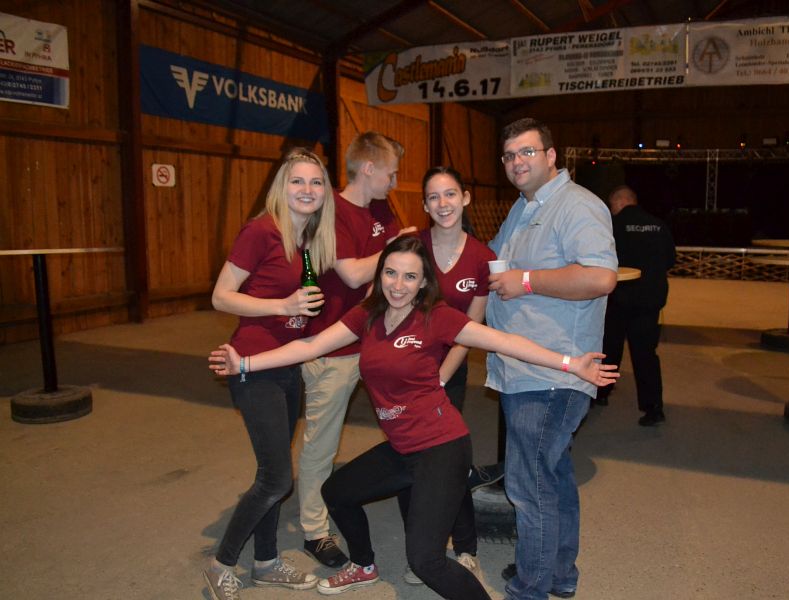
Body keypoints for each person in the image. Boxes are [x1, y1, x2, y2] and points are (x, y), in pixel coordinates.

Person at [208, 236, 619, 600]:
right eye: (391, 273)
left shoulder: (436, 317)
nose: (398, 285)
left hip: (442, 448)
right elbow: (311, 345)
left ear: (423, 282)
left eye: (409, 277)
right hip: (402, 448)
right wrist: (244, 363)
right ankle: (364, 565)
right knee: (337, 492)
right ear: (380, 274)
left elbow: (503, 341)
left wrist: (571, 364)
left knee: (425, 561)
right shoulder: (368, 315)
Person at [486, 118, 618, 600]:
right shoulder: (523, 208)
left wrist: (526, 281)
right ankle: (558, 573)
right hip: (524, 368)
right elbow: (490, 263)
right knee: (553, 476)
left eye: (526, 152)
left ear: (550, 155)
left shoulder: (576, 205)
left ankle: (531, 587)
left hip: (551, 375)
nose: (516, 162)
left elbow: (600, 277)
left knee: (529, 484)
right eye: (509, 155)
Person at [201, 148, 335, 600]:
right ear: (282, 187)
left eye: (315, 182)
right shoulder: (261, 231)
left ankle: (265, 562)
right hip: (253, 365)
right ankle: (221, 563)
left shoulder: (308, 238)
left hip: (286, 366)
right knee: (277, 479)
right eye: (297, 181)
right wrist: (282, 305)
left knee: (273, 470)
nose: (307, 190)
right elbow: (221, 296)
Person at [297, 131, 416, 568]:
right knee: (321, 444)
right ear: (368, 168)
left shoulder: (381, 207)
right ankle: (314, 530)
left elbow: (399, 261)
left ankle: (416, 506)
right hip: (333, 347)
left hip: (376, 339)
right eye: (391, 173)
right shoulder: (331, 211)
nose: (394, 182)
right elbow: (351, 273)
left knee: (405, 425)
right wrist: (392, 248)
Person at [398, 166, 497, 585]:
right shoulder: (411, 247)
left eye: (450, 194)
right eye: (434, 197)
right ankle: (423, 550)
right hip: (407, 369)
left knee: (448, 460)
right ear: (424, 204)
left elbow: (470, 329)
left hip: (446, 373)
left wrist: (438, 380)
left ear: (465, 198)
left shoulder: (482, 257)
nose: (443, 204)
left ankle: (466, 548)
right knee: (411, 458)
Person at [597, 185, 675, 426]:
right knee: (646, 354)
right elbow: (670, 260)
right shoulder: (658, 225)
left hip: (618, 299)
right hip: (649, 301)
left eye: (612, 205)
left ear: (620, 202)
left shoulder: (611, 226)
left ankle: (602, 393)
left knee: (610, 348)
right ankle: (653, 408)